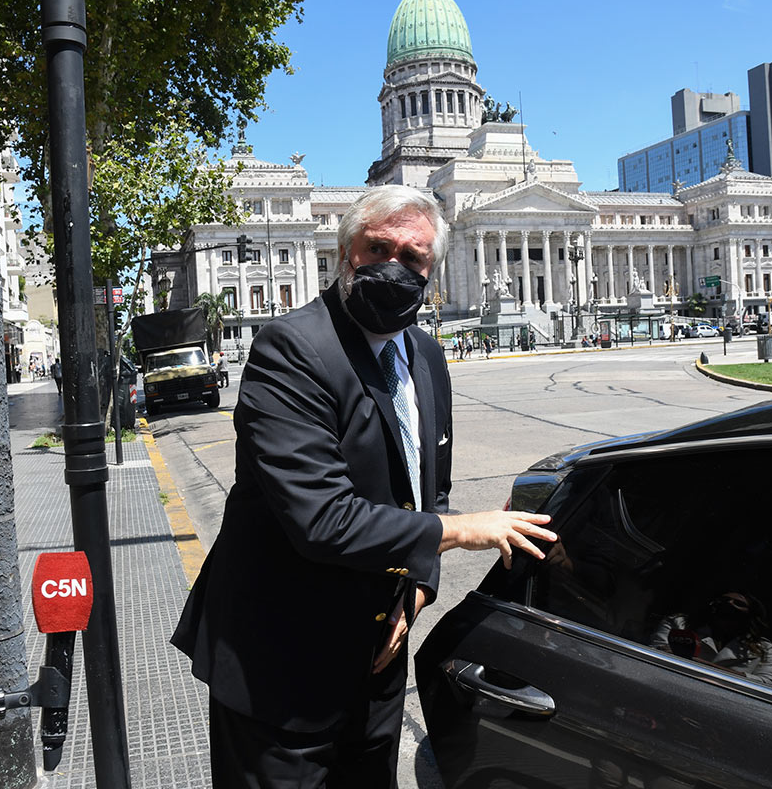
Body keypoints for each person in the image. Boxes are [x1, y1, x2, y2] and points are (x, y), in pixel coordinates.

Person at [171, 185, 556, 788]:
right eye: (379, 248)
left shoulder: (426, 357)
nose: (396, 268)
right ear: (346, 251)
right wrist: (460, 533)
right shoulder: (292, 350)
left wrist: (421, 588)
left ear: (432, 268)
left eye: (415, 258)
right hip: (281, 667)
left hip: (376, 663)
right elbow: (321, 519)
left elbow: (432, 494)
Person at [651, 592, 772, 687]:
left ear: (750, 615)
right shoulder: (680, 624)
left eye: (738, 603)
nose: (729, 603)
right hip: (668, 684)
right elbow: (657, 652)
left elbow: (771, 682)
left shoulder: (762, 647)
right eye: (724, 599)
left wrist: (703, 665)